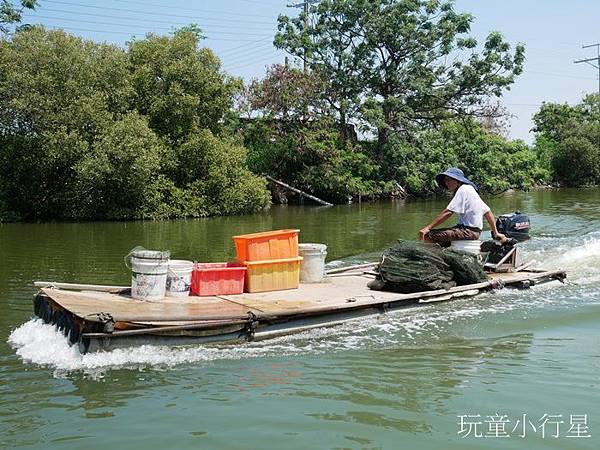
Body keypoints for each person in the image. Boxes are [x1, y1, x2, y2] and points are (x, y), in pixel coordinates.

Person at [418, 168, 507, 246]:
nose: (447, 182)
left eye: (450, 179)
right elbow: (488, 212)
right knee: (442, 237)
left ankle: (436, 260)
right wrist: (495, 233)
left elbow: (448, 212)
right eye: (446, 180)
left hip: (468, 232)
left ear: (458, 181)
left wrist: (428, 228)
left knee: (427, 235)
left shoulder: (463, 190)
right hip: (474, 232)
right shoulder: (470, 190)